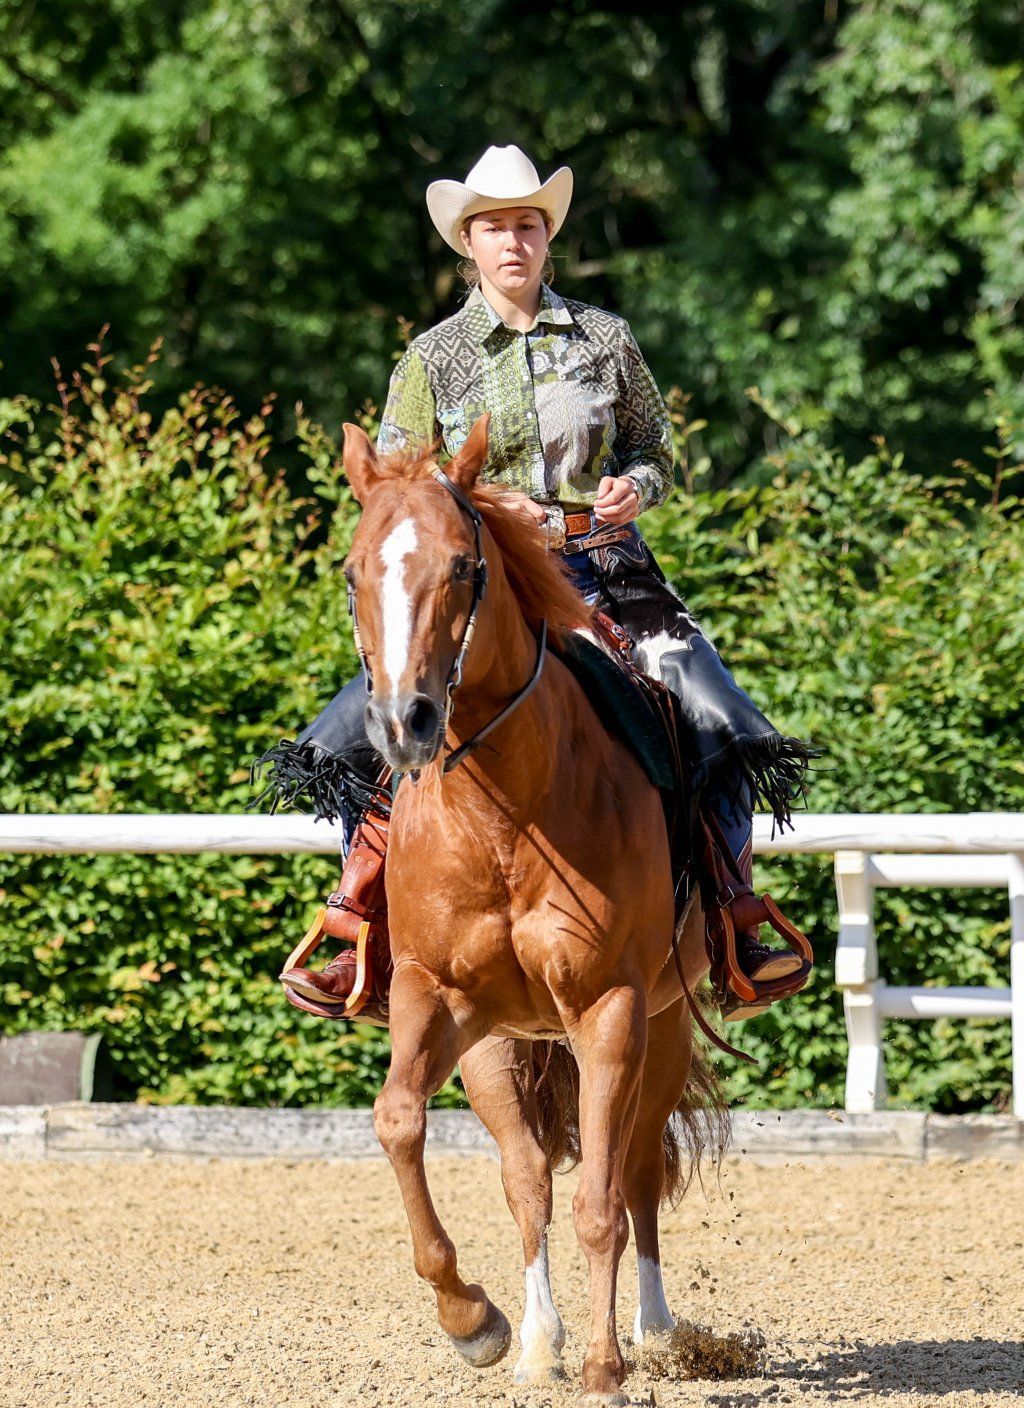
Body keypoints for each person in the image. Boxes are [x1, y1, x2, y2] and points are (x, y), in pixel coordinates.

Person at [254, 145, 818, 1028]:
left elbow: (654, 449)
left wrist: (640, 486)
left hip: (607, 567)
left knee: (721, 714)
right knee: (352, 731)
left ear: (547, 237)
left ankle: (735, 915)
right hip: (478, 581)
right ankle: (356, 916)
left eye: (526, 224)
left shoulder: (606, 338)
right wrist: (474, 499)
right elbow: (401, 482)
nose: (511, 241)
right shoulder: (430, 357)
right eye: (492, 228)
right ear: (467, 245)